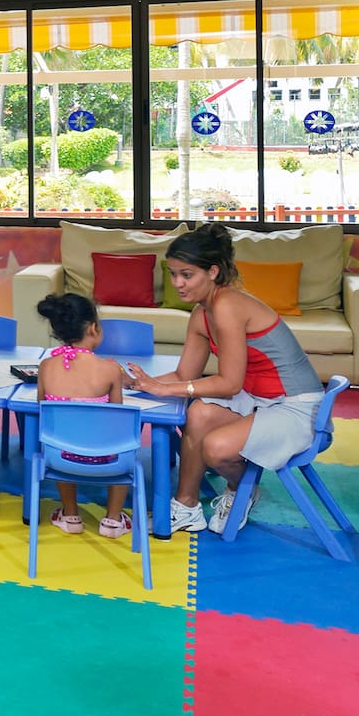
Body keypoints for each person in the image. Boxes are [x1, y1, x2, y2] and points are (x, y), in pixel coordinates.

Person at [124, 223, 323, 534]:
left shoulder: (228, 304)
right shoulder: (201, 315)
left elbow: (229, 383)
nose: (177, 283)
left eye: (186, 275)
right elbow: (183, 375)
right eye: (173, 273)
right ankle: (186, 506)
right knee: (199, 411)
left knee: (215, 447)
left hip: (295, 405)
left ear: (213, 272)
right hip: (259, 398)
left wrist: (164, 388)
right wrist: (133, 383)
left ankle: (240, 490)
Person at [34, 293, 132, 538]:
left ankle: (70, 515)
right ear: (93, 327)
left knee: (59, 435)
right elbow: (117, 418)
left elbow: (42, 409)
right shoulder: (110, 369)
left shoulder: (46, 367)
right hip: (106, 459)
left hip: (60, 458)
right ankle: (112, 520)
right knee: (124, 442)